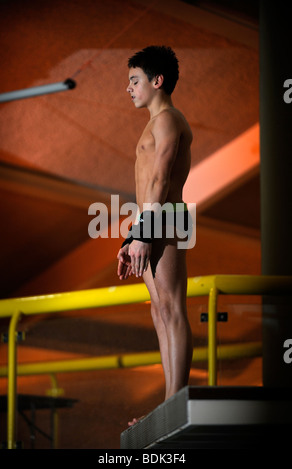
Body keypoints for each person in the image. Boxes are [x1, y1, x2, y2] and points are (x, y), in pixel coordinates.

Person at [116, 46, 193, 426]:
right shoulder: (153, 123)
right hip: (150, 221)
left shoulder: (167, 119)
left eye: (134, 80)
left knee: (172, 307)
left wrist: (143, 233)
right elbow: (147, 186)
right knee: (158, 309)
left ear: (156, 81)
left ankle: (176, 403)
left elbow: (161, 179)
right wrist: (132, 238)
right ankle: (169, 403)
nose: (128, 88)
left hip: (164, 218)